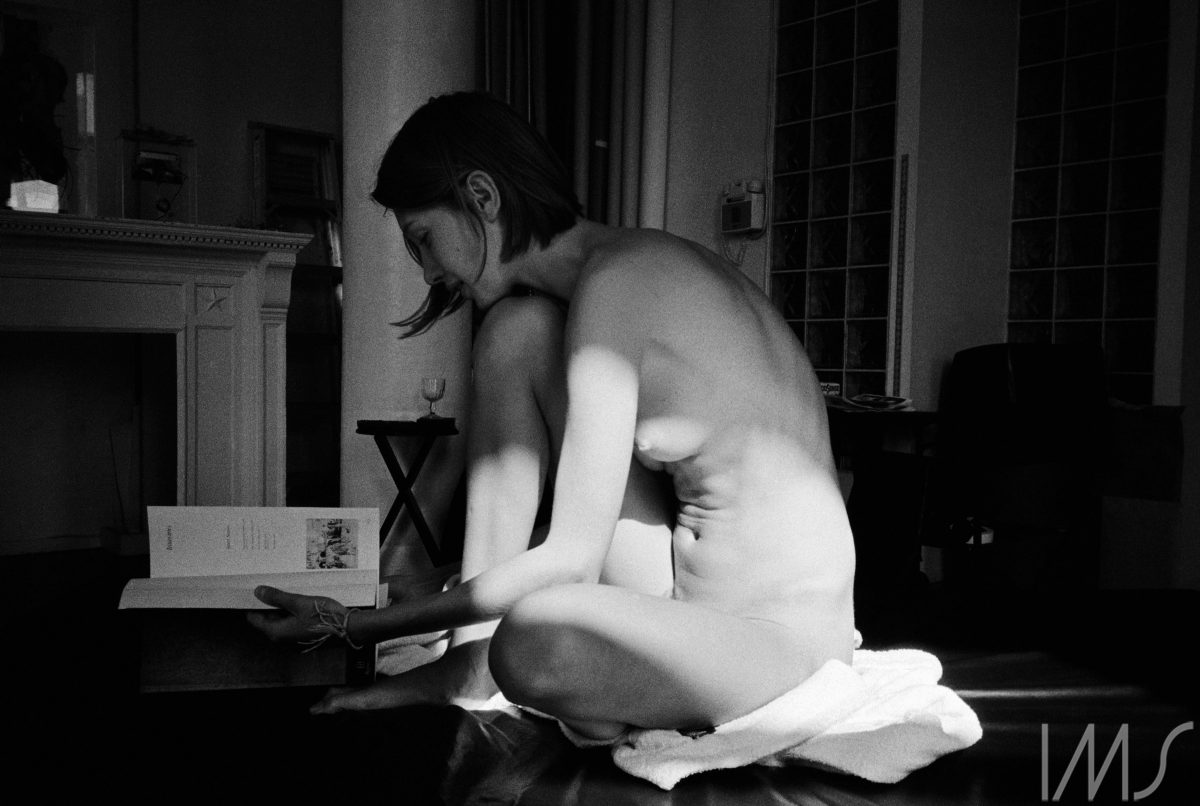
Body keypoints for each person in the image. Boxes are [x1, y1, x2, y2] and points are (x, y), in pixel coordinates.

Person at [249, 91, 856, 743]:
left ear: (482, 196)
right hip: (688, 596)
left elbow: (571, 562)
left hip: (775, 641)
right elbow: (581, 530)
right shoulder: (618, 273)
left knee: (533, 644)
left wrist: (353, 624)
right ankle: (468, 662)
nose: (427, 272)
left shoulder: (618, 287)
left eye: (424, 239)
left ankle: (502, 662)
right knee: (515, 332)